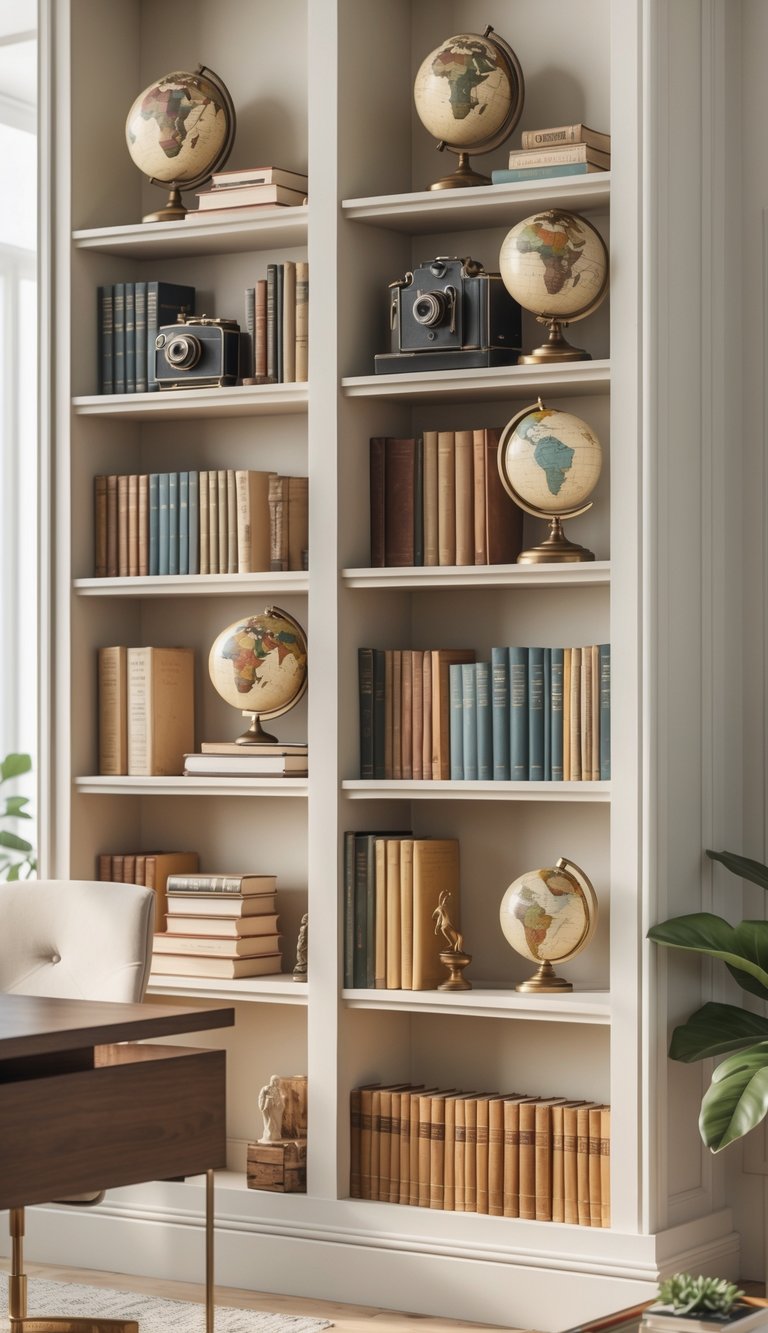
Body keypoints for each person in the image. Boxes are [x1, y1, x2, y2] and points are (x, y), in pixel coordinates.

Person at [257, 1074, 285, 1143]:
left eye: (279, 1082)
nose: (278, 1083)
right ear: (273, 1081)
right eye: (277, 1081)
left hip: (277, 1109)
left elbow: (282, 1098)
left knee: (277, 1122)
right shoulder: (266, 1088)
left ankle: (276, 1136)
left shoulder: (279, 1090)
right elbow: (261, 1097)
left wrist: (281, 1104)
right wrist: (263, 1105)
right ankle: (269, 1135)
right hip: (268, 1107)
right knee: (269, 1122)